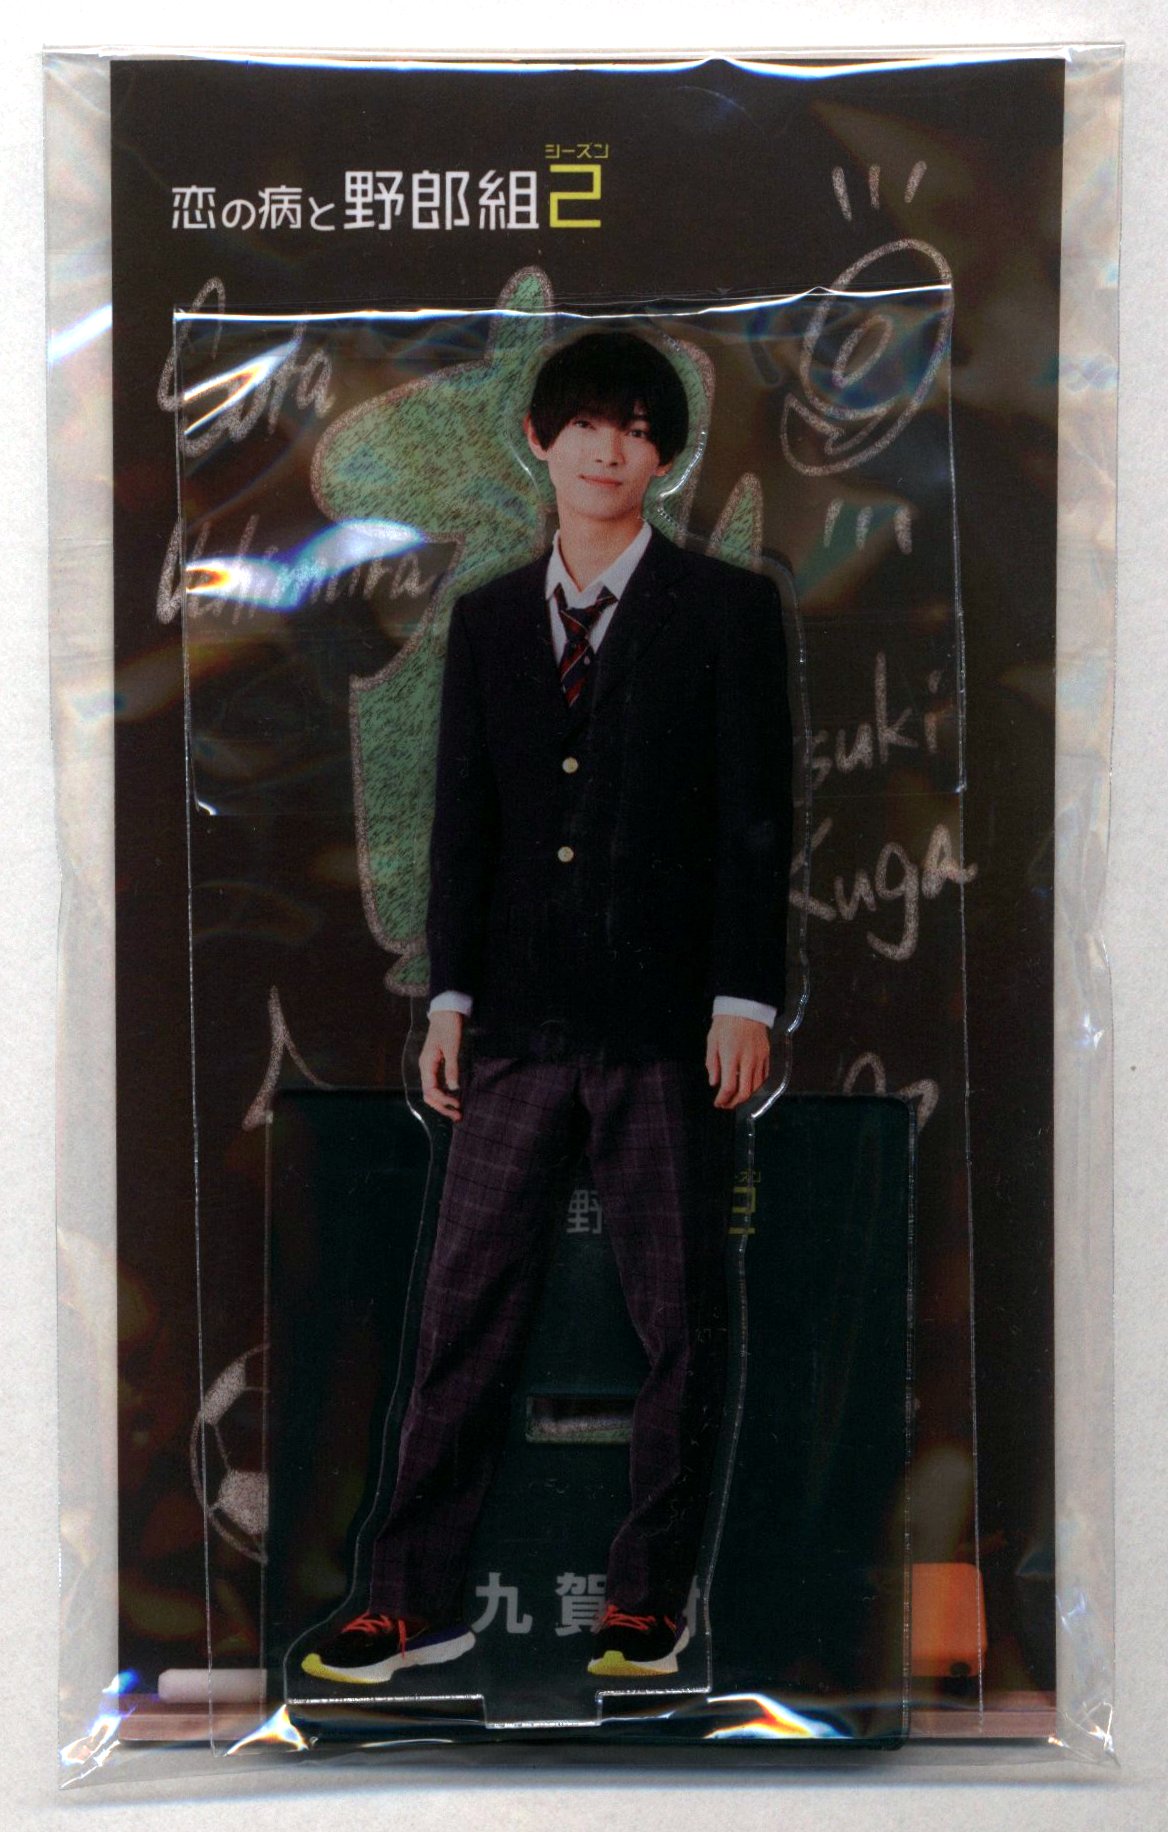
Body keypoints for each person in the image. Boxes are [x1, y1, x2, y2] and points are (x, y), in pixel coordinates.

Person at [302, 328, 792, 1687]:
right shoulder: (489, 619)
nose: (606, 448)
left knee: (679, 1318)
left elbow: (756, 819)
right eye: (583, 423)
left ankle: (648, 1600)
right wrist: (447, 998)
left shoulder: (726, 611)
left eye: (635, 427)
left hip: (668, 1025)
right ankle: (410, 1602)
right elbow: (465, 824)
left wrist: (745, 996)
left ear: (665, 454)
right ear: (539, 441)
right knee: (460, 1312)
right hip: (514, 1021)